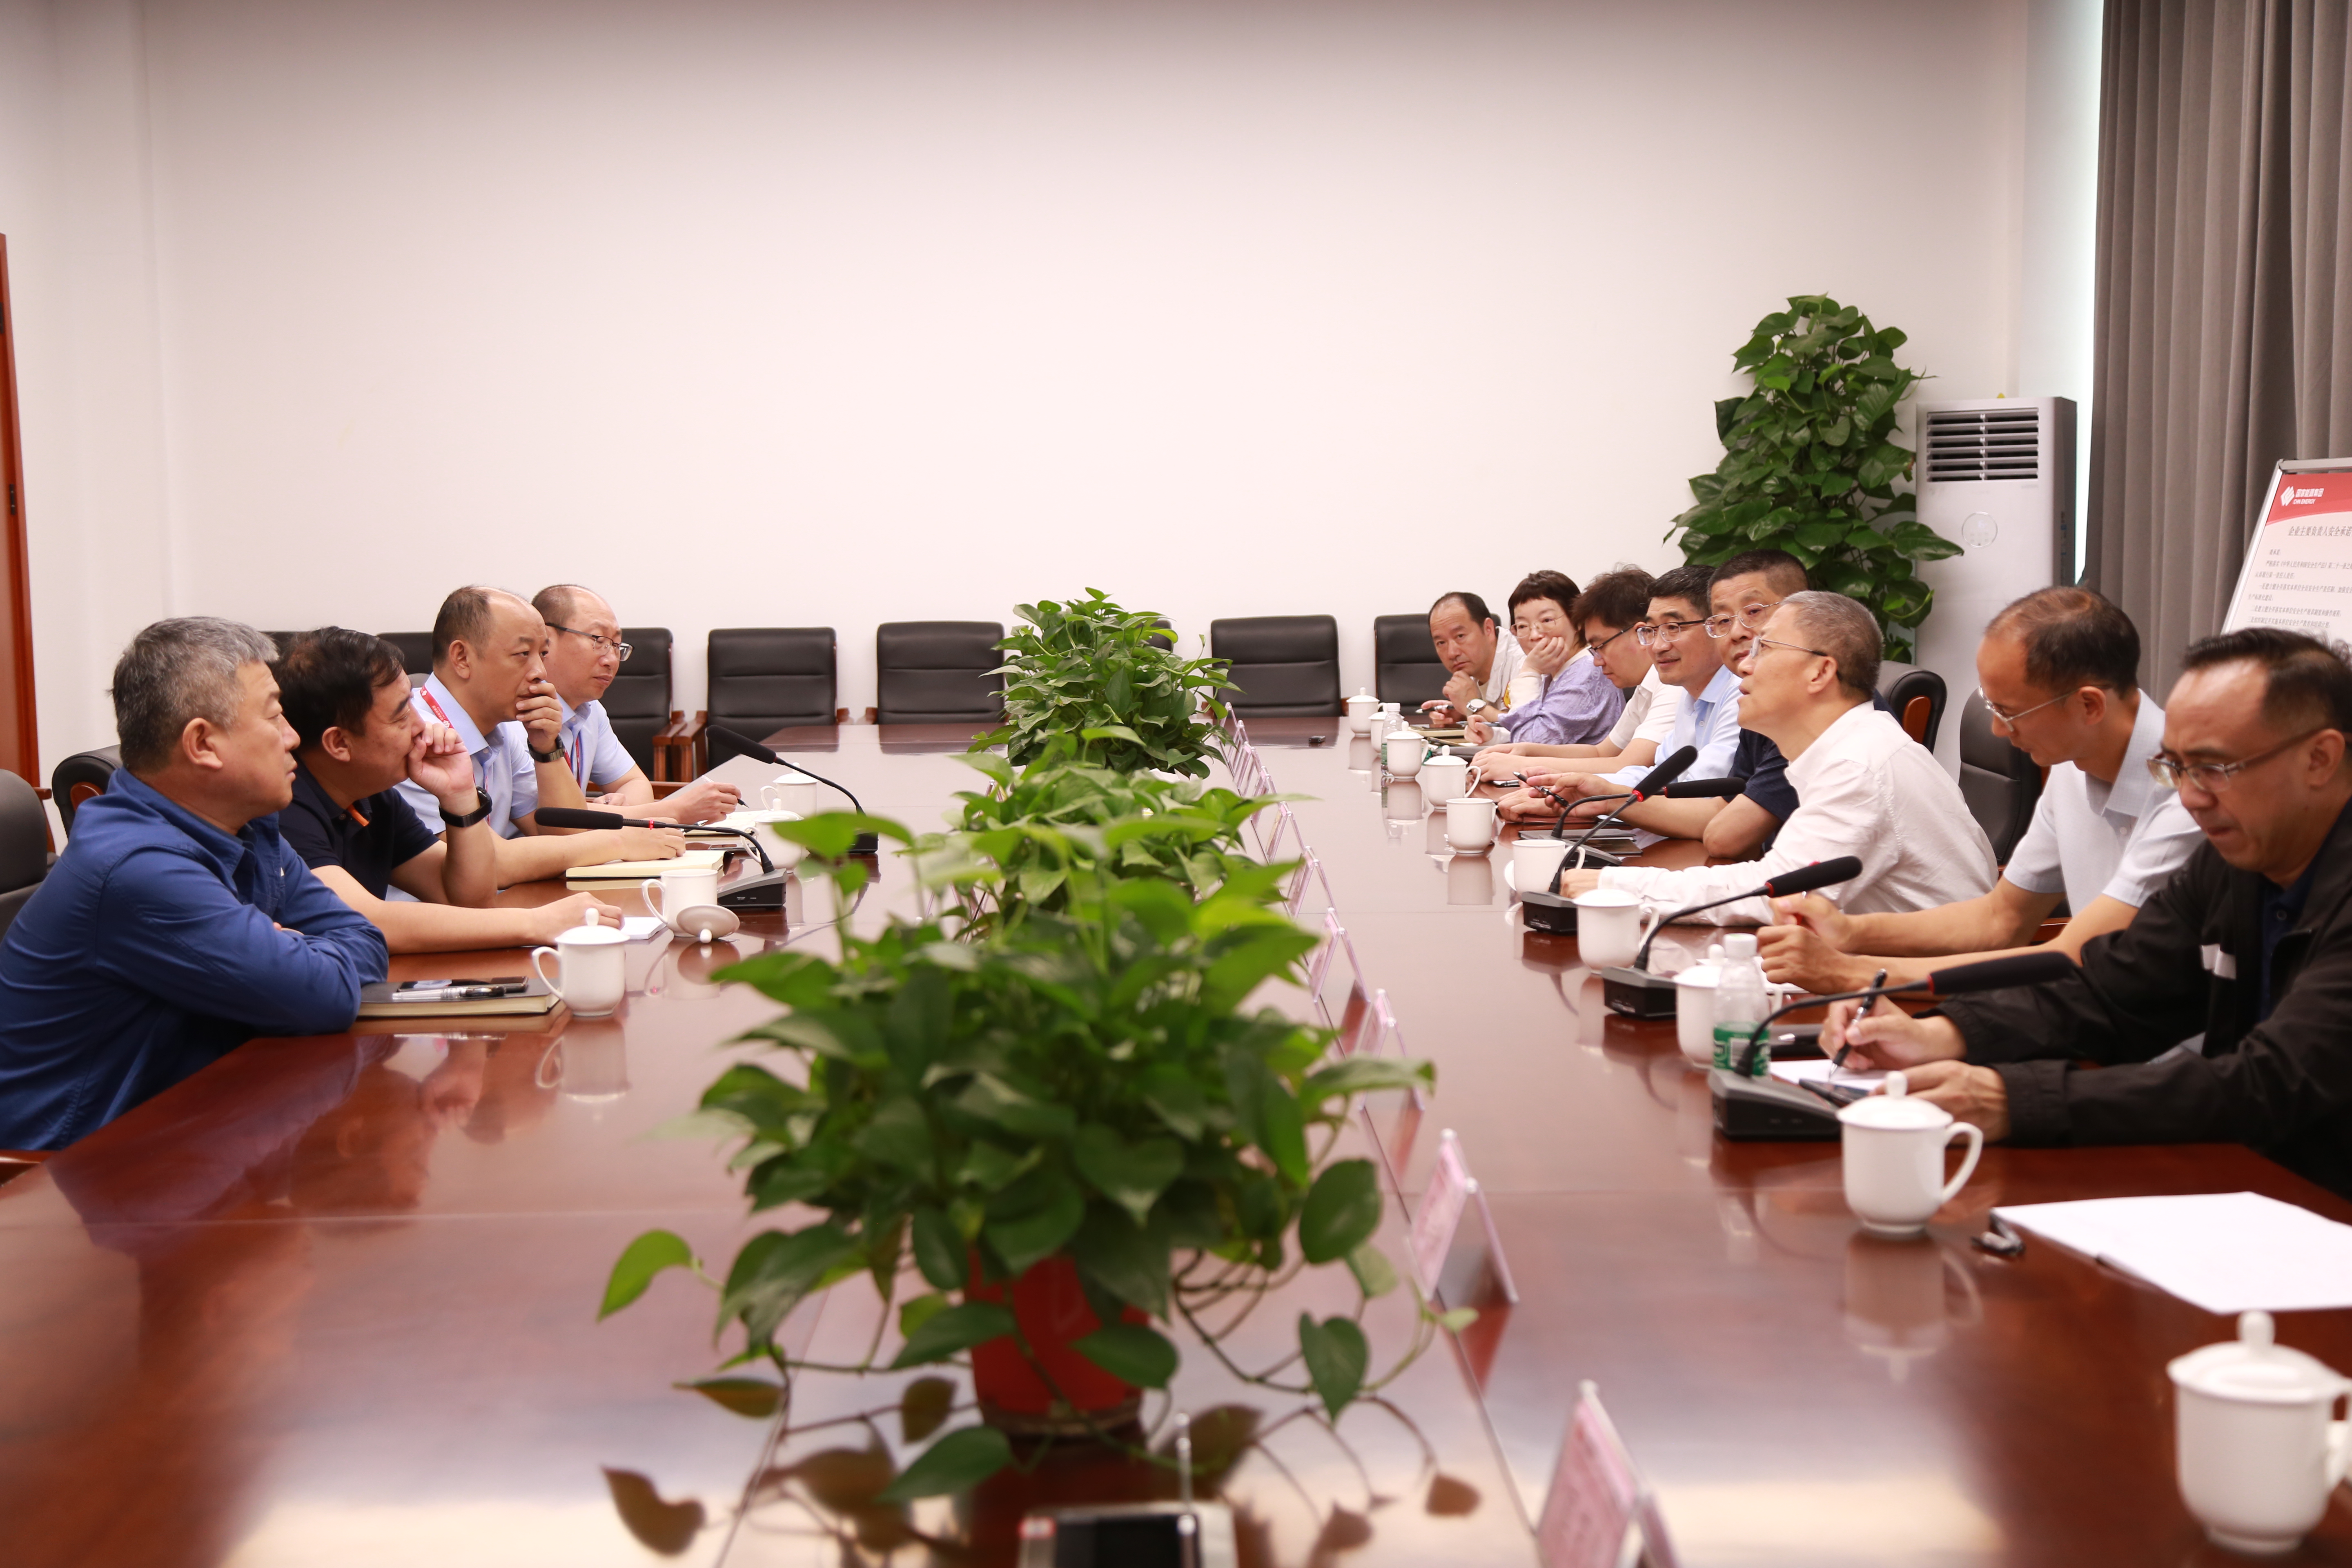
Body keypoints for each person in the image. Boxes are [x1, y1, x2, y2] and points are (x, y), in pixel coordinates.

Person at [1826, 628, 2352, 1199]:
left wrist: (2015, 1099)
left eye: (2216, 768)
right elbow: (2110, 994)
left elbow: (2276, 1080)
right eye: (2177, 768)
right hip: (2249, 1184)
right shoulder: (2233, 864)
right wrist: (1940, 1034)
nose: (2191, 797)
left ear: (2320, 759)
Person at [0, 619, 388, 1151]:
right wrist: (292, 956)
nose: (293, 737)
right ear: (203, 744)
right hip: (70, 1173)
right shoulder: (137, 867)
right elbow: (324, 998)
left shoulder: (249, 824)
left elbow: (364, 939)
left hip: (187, 1128)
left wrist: (289, 950)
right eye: (274, 716)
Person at [1762, 587, 2201, 991]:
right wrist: (1849, 932)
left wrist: (1852, 972)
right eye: (1992, 706)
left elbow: (2076, 957)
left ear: (2089, 705)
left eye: (2009, 712)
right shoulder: (2073, 766)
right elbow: (2001, 918)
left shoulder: (2191, 796)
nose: (1997, 729)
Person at [1555, 592, 1996, 922]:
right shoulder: (1842, 746)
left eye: (1763, 649)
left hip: (1925, 994)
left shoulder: (1856, 766)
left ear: (1821, 671)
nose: (1744, 665)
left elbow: (1771, 893)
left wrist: (1617, 885)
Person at [274, 628, 662, 951]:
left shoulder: (373, 795)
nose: (420, 726)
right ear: (339, 744)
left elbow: (468, 897)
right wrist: (535, 923)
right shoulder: (285, 804)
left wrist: (460, 798)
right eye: (401, 715)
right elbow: (368, 920)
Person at [391, 587, 684, 881]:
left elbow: (564, 832)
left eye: (542, 654)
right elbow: (488, 864)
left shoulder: (503, 729)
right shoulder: (413, 735)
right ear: (462, 658)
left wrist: (547, 747)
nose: (541, 672)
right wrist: (619, 841)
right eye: (523, 654)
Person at [1495, 564, 1740, 826]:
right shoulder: (1688, 692)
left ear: (1718, 626)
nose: (1658, 645)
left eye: (1673, 628)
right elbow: (1649, 774)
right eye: (1653, 631)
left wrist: (1598, 798)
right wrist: (1575, 792)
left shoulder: (1736, 693)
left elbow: (1703, 802)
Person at [531, 584, 741, 824]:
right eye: (599, 640)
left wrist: (617, 810)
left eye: (616, 645)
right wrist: (677, 810)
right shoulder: (521, 716)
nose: (612, 660)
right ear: (546, 639)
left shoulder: (590, 710)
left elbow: (635, 783)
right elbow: (549, 819)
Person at [1472, 568, 1679, 778]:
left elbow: (1624, 764)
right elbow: (1600, 752)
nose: (1597, 661)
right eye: (1523, 626)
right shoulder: (1647, 687)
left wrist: (1523, 763)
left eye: (1600, 646)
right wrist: (1524, 750)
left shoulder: (1672, 685)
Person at [1463, 571, 1623, 748]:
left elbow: (1532, 743)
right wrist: (1493, 737)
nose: (1534, 635)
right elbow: (1535, 728)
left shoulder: (1588, 672)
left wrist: (1530, 672)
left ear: (1577, 620)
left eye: (1547, 620)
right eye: (1522, 626)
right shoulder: (1557, 670)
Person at [1421, 591, 1524, 726]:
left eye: (1460, 636)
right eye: (1441, 643)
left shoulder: (1525, 663)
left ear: (1488, 629)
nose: (1452, 653)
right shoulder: (1472, 670)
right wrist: (1463, 714)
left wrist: (1474, 707)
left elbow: (1529, 729)